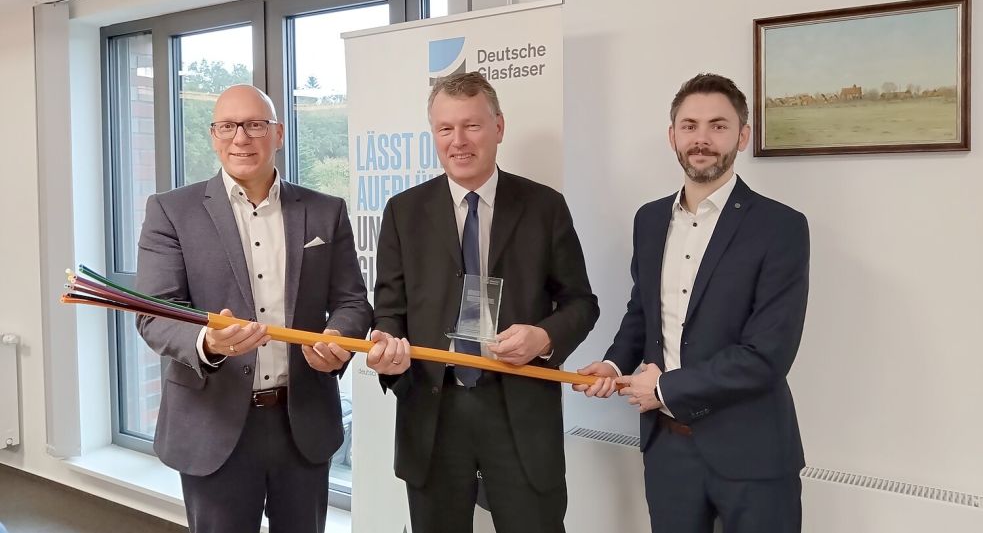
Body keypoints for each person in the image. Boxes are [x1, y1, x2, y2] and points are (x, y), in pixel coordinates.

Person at [366, 72, 599, 533]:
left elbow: (581, 302)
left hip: (520, 410)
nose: (459, 141)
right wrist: (388, 348)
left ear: (499, 128)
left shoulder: (545, 207)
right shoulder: (403, 211)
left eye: (472, 126)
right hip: (434, 410)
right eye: (445, 129)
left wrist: (545, 336)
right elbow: (389, 307)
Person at [577, 73, 809, 533]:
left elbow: (768, 355)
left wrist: (665, 390)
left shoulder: (781, 227)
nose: (701, 139)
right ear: (673, 136)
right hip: (668, 452)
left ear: (742, 137)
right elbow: (642, 314)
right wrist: (612, 363)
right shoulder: (648, 220)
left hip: (754, 453)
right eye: (689, 125)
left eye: (718, 126)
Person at [136, 84, 371, 533]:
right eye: (227, 126)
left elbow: (351, 301)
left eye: (254, 125)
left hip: (302, 421)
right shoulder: (171, 211)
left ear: (278, 134)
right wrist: (208, 341)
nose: (240, 138)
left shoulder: (325, 211)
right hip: (215, 423)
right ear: (213, 135)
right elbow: (155, 314)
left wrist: (339, 337)